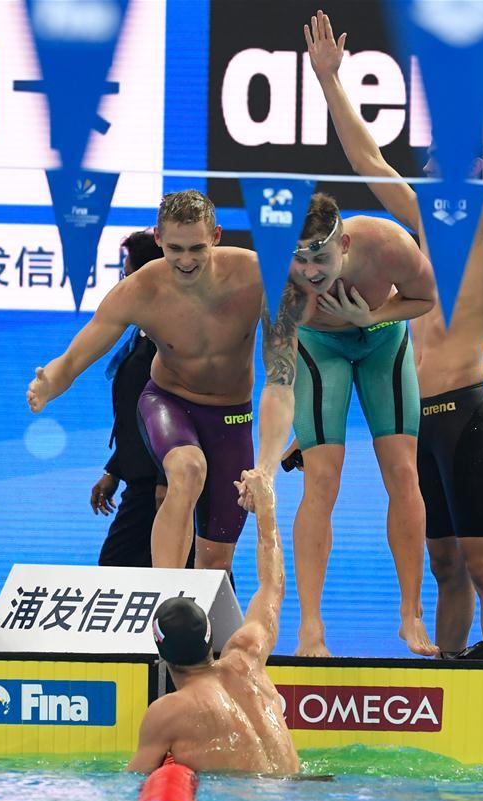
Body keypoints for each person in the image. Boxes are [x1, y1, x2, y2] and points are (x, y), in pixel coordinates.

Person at [304, 10, 483, 658]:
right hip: (414, 417)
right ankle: (455, 679)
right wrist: (328, 80)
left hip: (461, 411)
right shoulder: (425, 231)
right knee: (444, 569)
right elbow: (366, 157)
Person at [27, 189, 309, 575]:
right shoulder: (140, 290)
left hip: (231, 417)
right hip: (167, 402)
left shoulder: (260, 280)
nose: (186, 260)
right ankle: (163, 597)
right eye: (175, 248)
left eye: (197, 248)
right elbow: (80, 353)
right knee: (187, 469)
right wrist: (52, 381)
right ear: (158, 238)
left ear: (216, 236)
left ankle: (197, 623)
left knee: (214, 562)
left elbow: (280, 382)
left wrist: (266, 467)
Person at [287, 191, 439, 658]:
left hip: (382, 342)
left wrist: (371, 317)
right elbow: (276, 375)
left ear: (346, 244)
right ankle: (310, 626)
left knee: (403, 471)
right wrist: (274, 445)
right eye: (301, 259)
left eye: (321, 257)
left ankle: (411, 615)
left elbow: (425, 298)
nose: (312, 272)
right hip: (318, 347)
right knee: (322, 479)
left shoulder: (388, 243)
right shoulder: (280, 280)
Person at [127, 469, 299, 775]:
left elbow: (132, 785)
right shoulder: (248, 659)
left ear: (162, 654)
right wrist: (266, 509)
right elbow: (273, 586)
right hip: (298, 789)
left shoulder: (167, 712)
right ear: (210, 637)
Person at [89, 229, 195, 567]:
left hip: (159, 484)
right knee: (189, 568)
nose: (122, 284)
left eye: (127, 274)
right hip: (142, 480)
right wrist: (114, 470)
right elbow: (141, 418)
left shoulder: (172, 340)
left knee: (119, 569)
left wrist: (169, 481)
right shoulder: (144, 334)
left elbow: (184, 415)